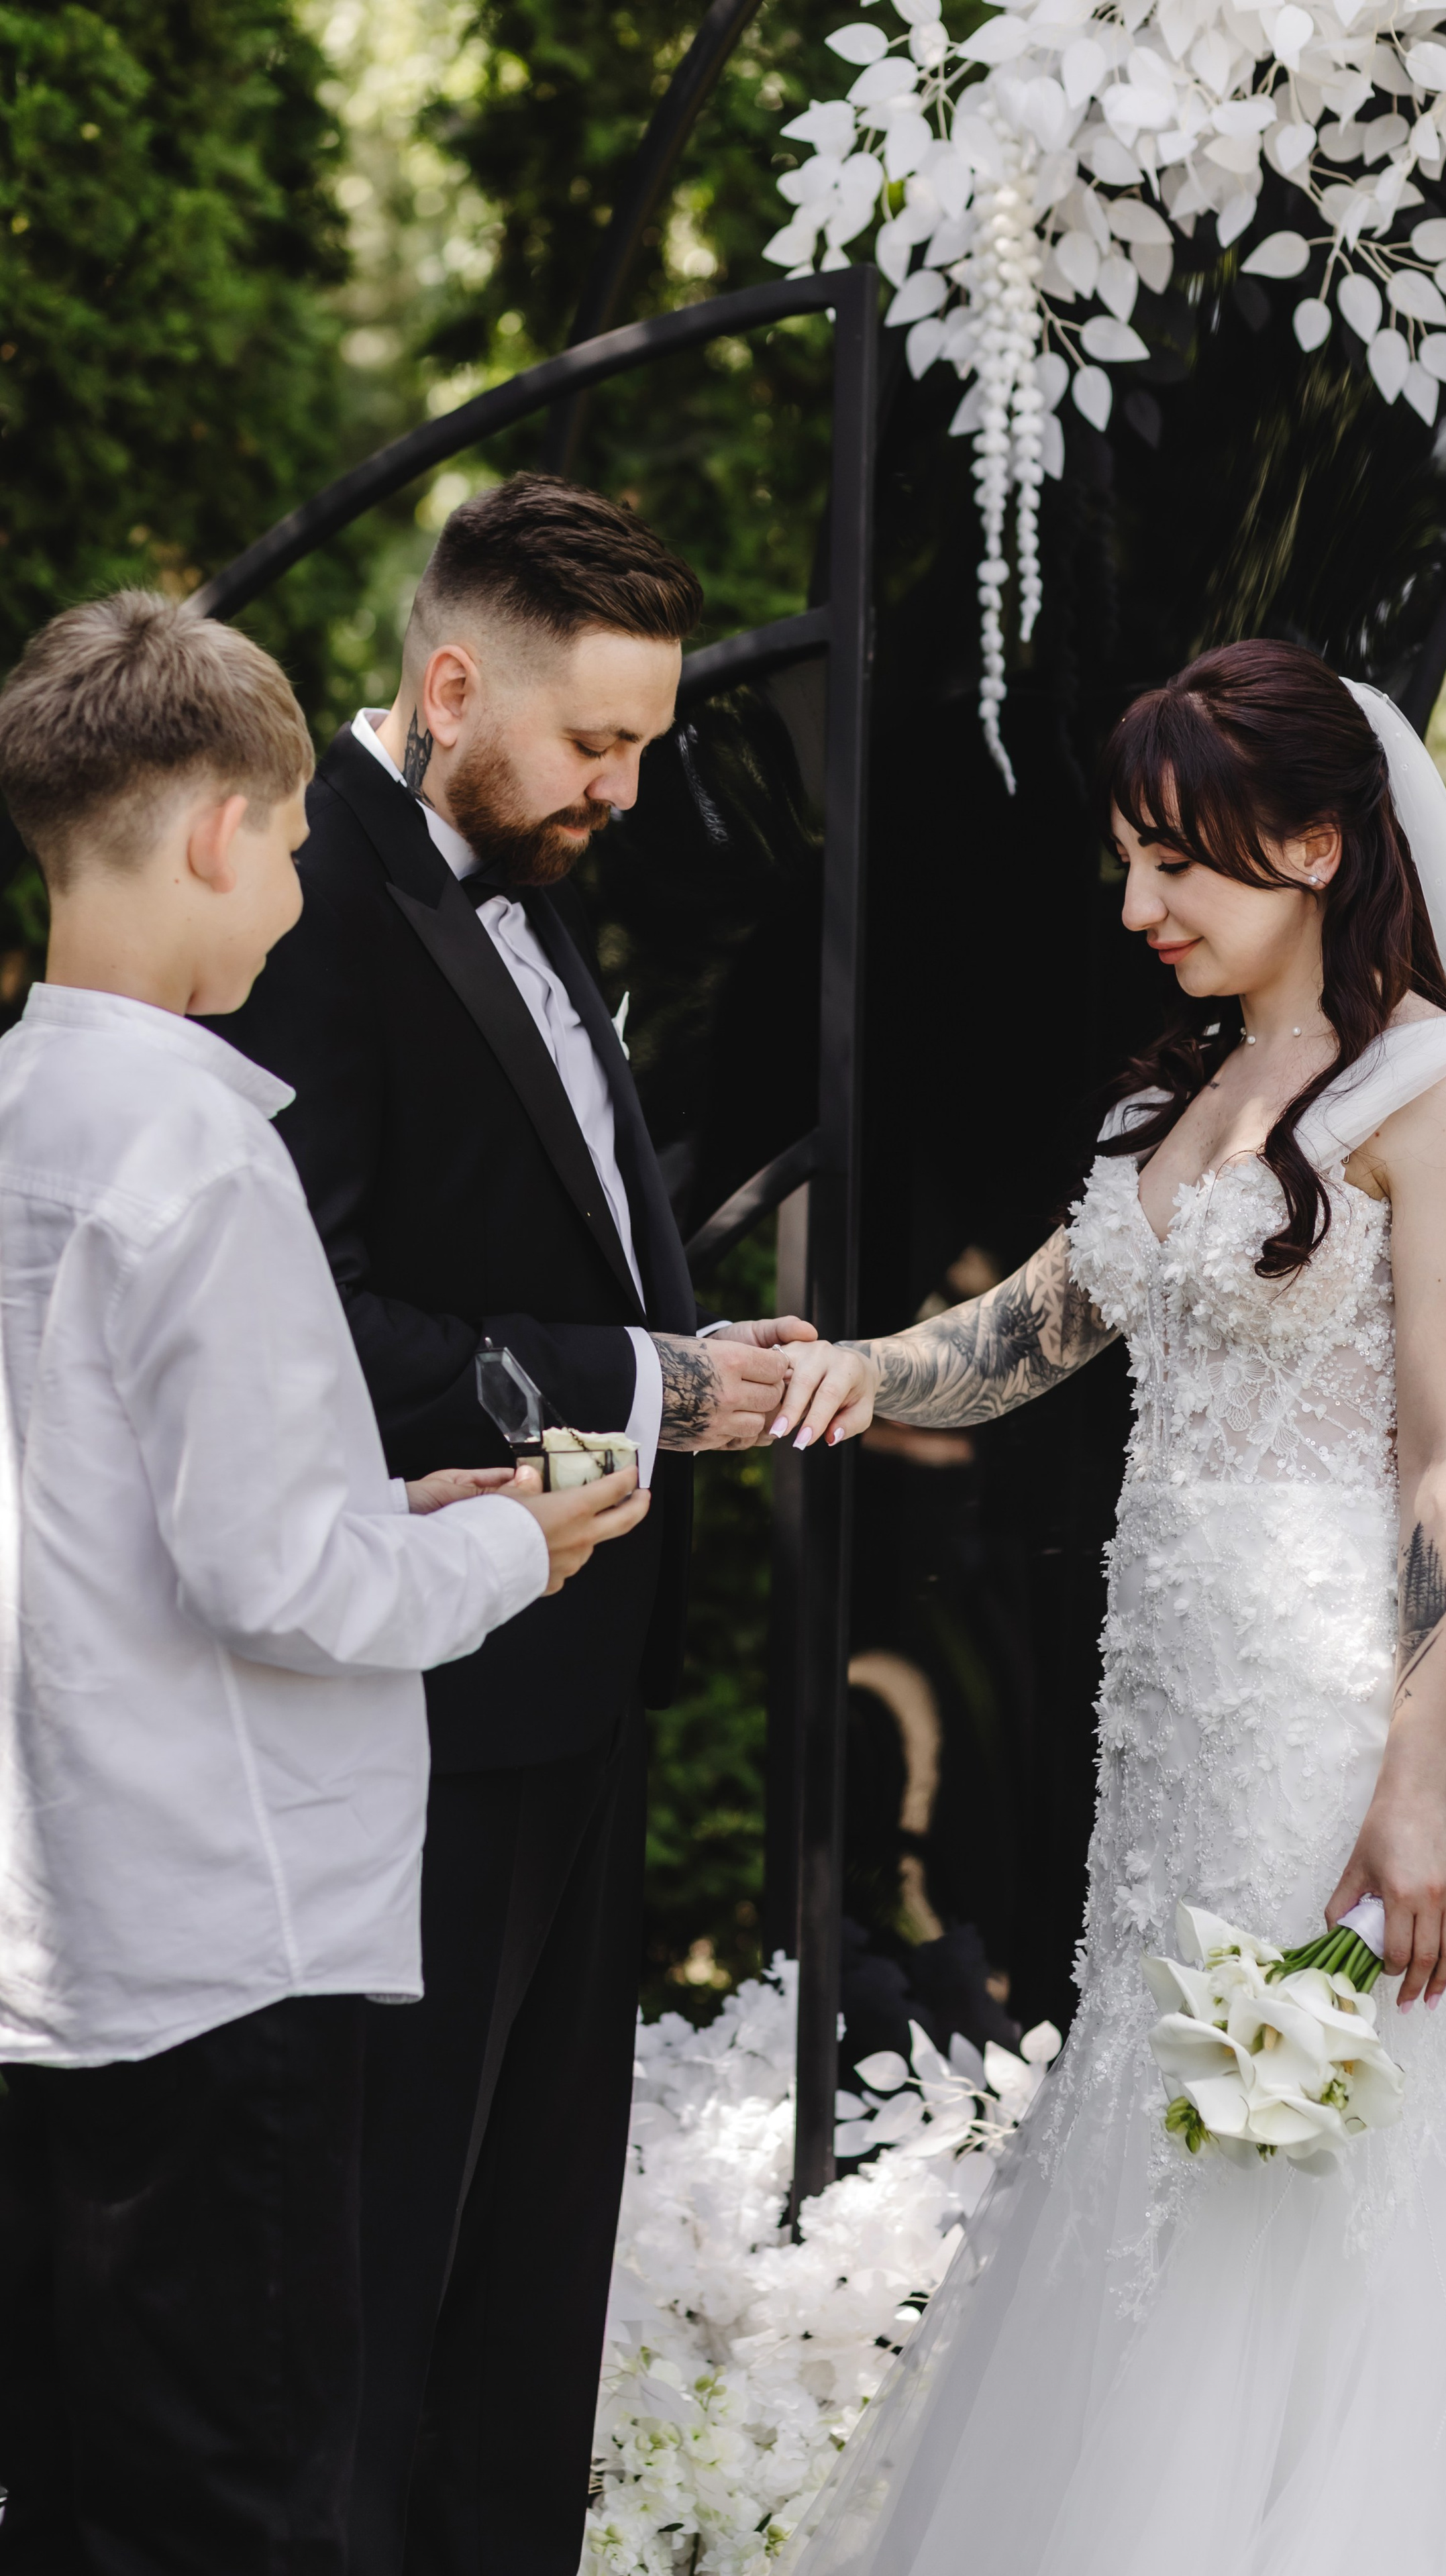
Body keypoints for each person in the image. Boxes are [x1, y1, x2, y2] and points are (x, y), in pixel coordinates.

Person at [770, 641, 1446, 2573]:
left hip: (1328, 1713)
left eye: (1178, 862)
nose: (1139, 909)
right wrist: (817, 1374)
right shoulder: (1168, 1107)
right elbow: (1022, 1341)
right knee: (1156, 2098)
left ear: (1313, 839)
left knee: (1334, 2142)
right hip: (1168, 1714)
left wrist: (1420, 1782)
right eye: (1127, 860)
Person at [0, 591, 648, 2573]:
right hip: (229, 1947)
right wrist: (501, 1539)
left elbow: (124, 1514)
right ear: (218, 831)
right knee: (242, 2502)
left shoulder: (27, 1114)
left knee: (75, 2490)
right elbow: (283, 1581)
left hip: (54, 1940)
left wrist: (400, 1513)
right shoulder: (198, 1157)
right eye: (290, 838)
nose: (299, 877)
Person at [212, 474, 810, 2575]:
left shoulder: (541, 865)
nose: (627, 789)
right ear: (452, 682)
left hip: (570, 1689)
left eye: (646, 742)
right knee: (376, 2283)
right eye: (598, 743)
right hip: (408, 1708)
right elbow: (310, 1326)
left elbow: (553, 1233)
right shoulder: (301, 906)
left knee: (532, 2280)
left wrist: (682, 1343)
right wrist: (643, 1384)